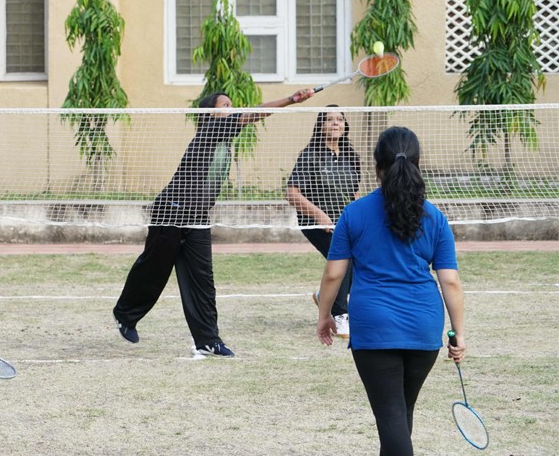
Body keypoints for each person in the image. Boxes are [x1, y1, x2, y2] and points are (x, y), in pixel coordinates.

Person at [114, 88, 316, 357]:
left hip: (197, 216)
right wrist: (291, 100)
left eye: (232, 104)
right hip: (172, 210)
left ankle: (208, 340)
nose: (231, 109)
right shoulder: (211, 130)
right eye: (225, 105)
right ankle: (124, 314)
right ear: (209, 113)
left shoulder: (225, 139)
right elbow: (255, 114)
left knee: (202, 279)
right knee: (155, 267)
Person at [316, 127, 465, 455]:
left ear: (376, 166)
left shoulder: (354, 213)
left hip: (374, 327)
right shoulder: (435, 217)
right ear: (418, 163)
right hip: (424, 327)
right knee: (400, 415)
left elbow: (333, 275)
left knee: (392, 416)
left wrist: (324, 315)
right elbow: (450, 281)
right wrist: (459, 333)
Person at [286, 105, 360, 338]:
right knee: (344, 259)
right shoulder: (309, 155)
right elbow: (292, 193)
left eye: (340, 119)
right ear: (320, 126)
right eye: (329, 120)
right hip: (317, 222)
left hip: (345, 221)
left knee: (362, 260)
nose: (335, 123)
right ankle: (339, 315)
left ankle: (323, 295)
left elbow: (354, 194)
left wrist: (361, 217)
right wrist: (320, 215)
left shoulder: (351, 156)